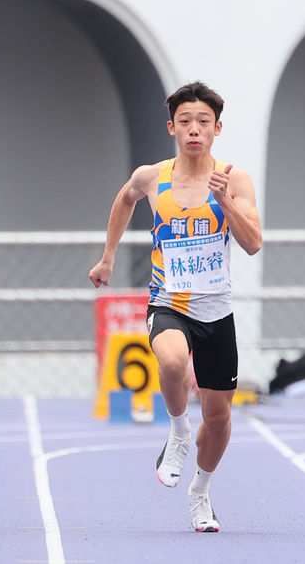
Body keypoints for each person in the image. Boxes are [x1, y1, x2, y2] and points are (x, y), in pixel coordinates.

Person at [89, 82, 261, 533]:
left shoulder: (234, 179)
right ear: (172, 128)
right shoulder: (152, 177)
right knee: (170, 360)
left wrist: (225, 202)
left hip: (215, 310)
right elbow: (124, 200)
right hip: (168, 301)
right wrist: (108, 257)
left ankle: (200, 491)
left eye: (203, 121)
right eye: (185, 121)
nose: (194, 129)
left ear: (217, 128)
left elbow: (253, 244)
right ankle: (179, 429)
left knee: (219, 419)